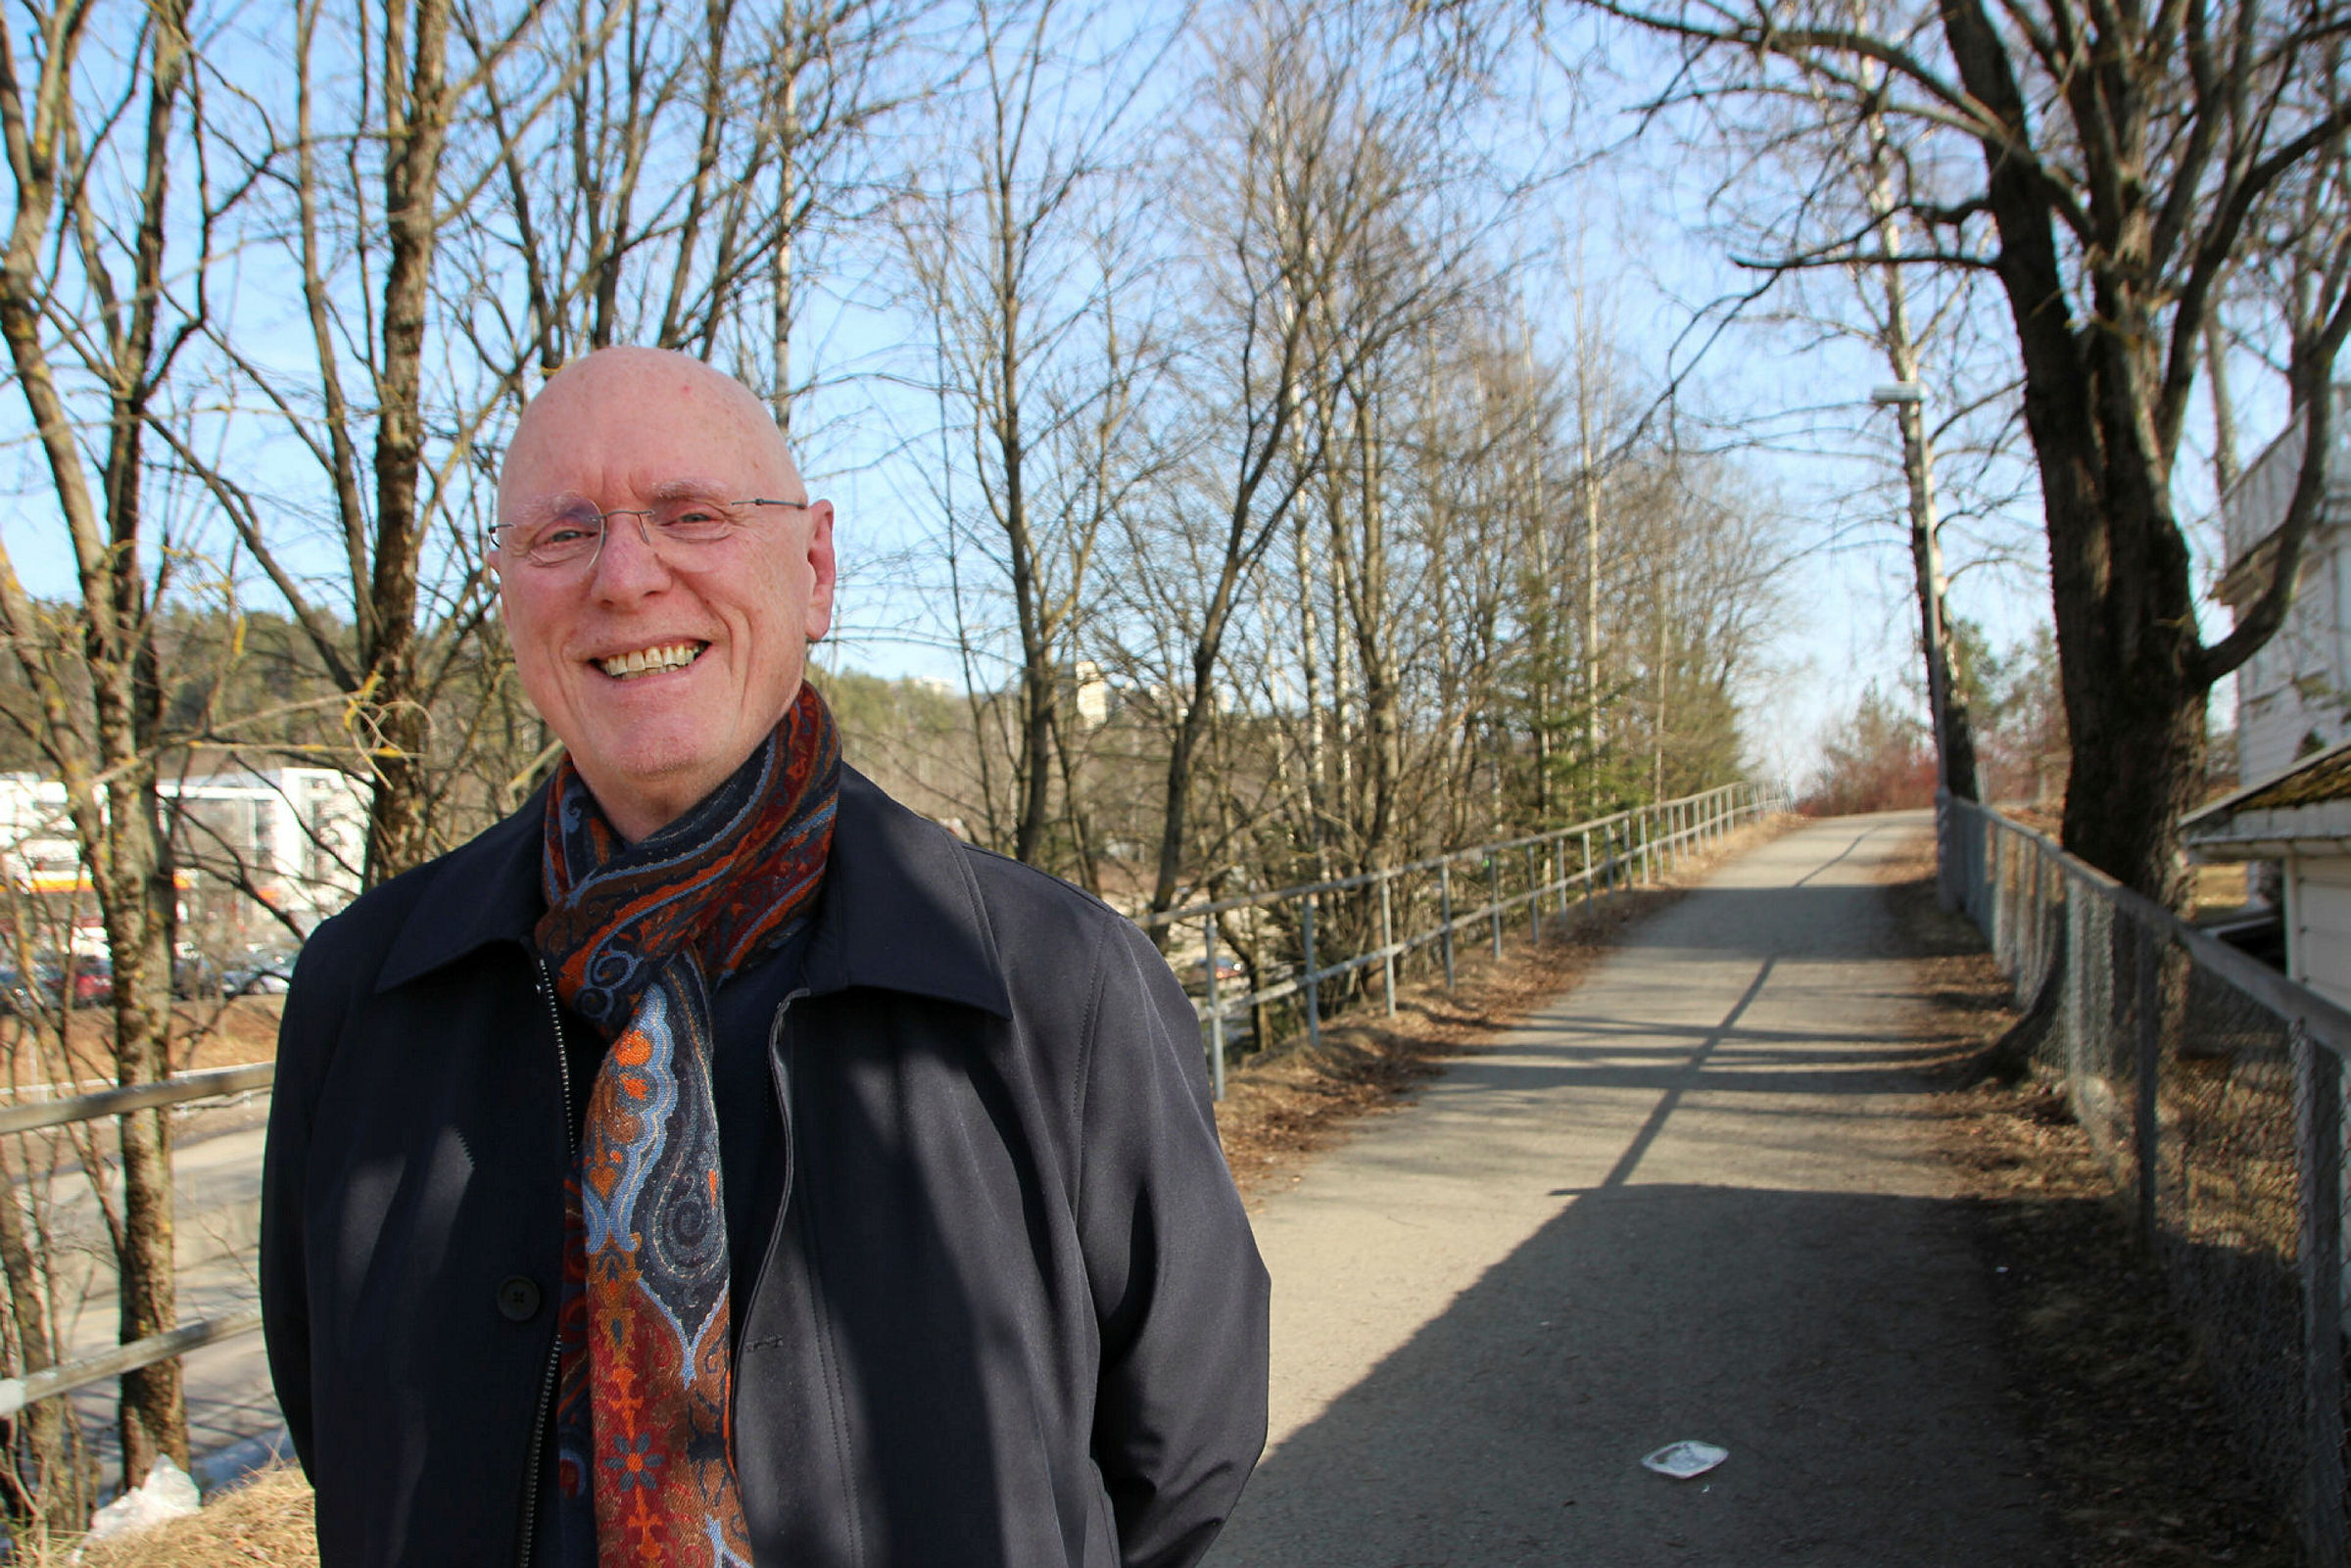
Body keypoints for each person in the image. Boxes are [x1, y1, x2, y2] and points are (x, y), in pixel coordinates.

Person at [260, 347, 1271, 1568]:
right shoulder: (365, 998)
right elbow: (346, 1435)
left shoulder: (1052, 986)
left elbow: (1182, 1449)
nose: (626, 577)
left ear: (816, 566)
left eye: (692, 515)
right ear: (509, 590)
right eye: (561, 534)